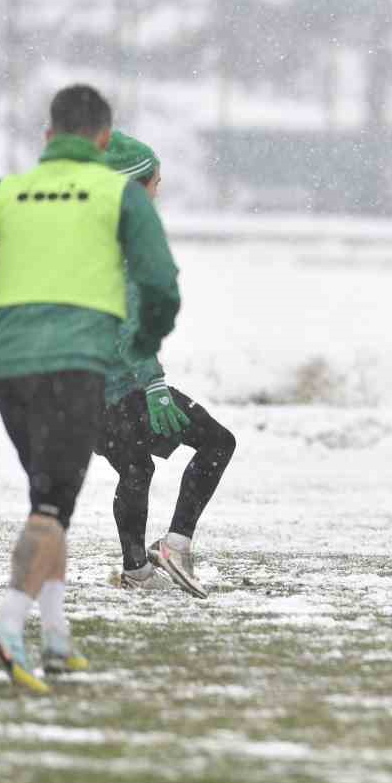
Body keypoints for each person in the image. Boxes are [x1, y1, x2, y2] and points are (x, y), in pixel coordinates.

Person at [0, 84, 180, 693]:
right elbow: (160, 284)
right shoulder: (118, 192)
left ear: (48, 137)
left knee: (49, 498)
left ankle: (58, 638)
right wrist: (145, 344)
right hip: (74, 364)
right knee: (51, 505)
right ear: (103, 139)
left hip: (8, 364)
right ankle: (9, 626)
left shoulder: (9, 191)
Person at [97, 132, 234, 600]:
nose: (159, 192)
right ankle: (175, 545)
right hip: (124, 386)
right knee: (217, 442)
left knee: (135, 468)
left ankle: (136, 569)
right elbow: (128, 322)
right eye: (154, 183)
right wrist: (155, 384)